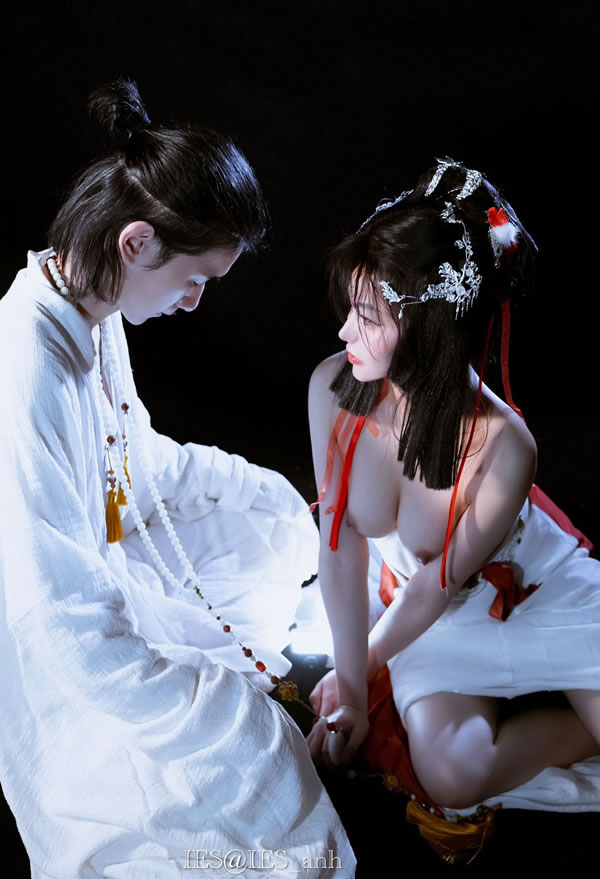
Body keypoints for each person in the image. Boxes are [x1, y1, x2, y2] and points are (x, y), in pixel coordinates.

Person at [0, 80, 356, 878]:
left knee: (274, 529)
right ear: (135, 244)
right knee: (261, 769)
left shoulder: (87, 306)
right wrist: (221, 713)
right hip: (49, 625)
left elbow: (138, 456)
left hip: (108, 546)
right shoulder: (28, 362)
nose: (194, 303)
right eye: (195, 279)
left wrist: (260, 488)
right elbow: (61, 623)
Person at [306, 158, 600, 832]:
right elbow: (341, 549)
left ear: (429, 326)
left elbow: (436, 582)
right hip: (437, 619)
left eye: (366, 316)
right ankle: (574, 723)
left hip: (537, 587)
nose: (345, 332)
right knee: (452, 774)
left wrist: (359, 671)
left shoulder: (507, 445)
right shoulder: (332, 388)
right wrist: (352, 686)